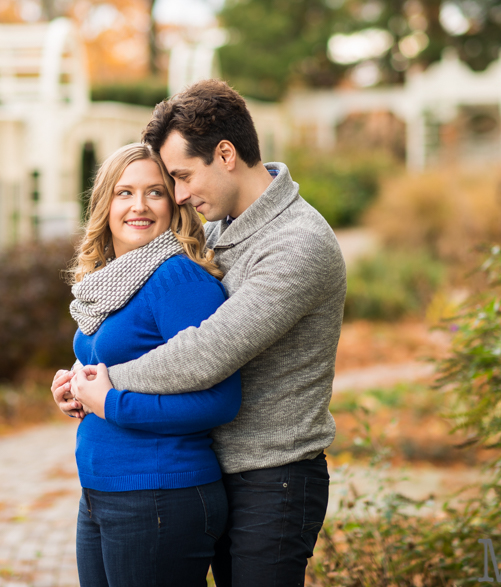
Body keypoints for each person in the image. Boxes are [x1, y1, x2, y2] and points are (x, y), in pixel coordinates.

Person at [56, 79, 346, 587]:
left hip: (271, 476)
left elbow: (206, 352)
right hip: (208, 465)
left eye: (182, 177)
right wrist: (83, 380)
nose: (180, 196)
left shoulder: (299, 244)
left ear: (226, 154)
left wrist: (103, 386)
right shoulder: (215, 231)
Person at [58, 142, 242, 587]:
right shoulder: (113, 279)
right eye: (124, 193)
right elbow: (110, 360)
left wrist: (111, 402)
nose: (138, 206)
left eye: (155, 192)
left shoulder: (177, 279)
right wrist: (74, 383)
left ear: (174, 202)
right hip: (103, 490)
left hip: (160, 494)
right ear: (105, 203)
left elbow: (221, 401)